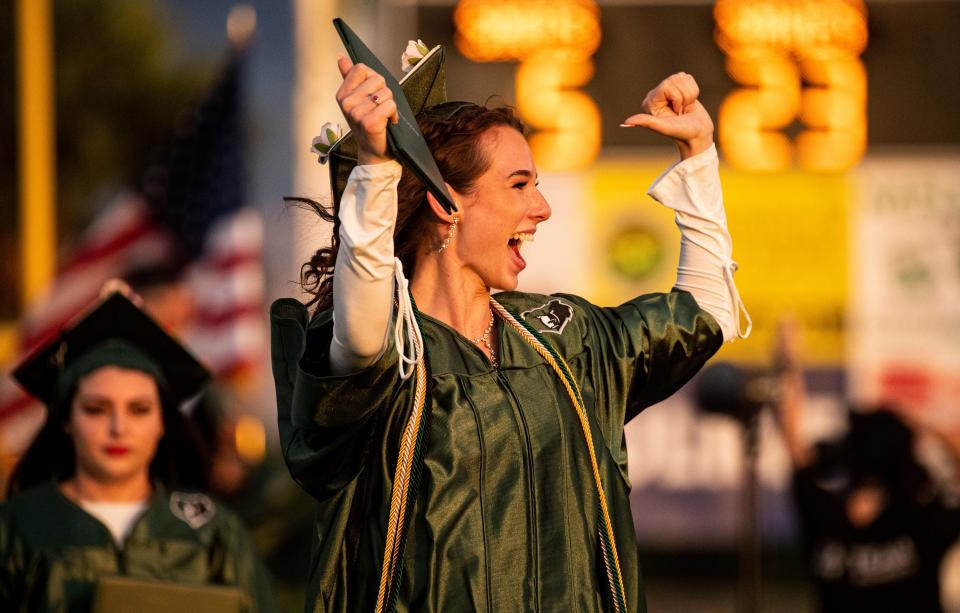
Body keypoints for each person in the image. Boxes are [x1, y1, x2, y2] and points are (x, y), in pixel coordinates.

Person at [271, 43, 748, 613]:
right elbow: (366, 324)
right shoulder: (389, 360)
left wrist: (696, 153)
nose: (542, 207)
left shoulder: (563, 342)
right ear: (447, 203)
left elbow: (706, 310)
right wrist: (376, 167)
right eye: (519, 185)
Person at [0, 288, 276, 613]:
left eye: (139, 409)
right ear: (66, 420)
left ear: (162, 422)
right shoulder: (17, 527)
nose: (119, 427)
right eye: (96, 408)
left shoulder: (210, 530)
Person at [773, 321, 960, 613]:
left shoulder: (825, 515)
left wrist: (787, 359)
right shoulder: (922, 520)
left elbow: (794, 444)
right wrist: (919, 424)